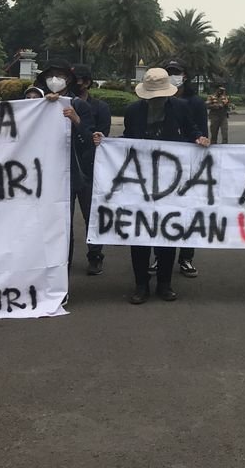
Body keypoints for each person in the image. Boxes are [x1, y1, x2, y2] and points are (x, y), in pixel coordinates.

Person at [104, 68, 208, 304]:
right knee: (139, 233)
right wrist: (108, 144)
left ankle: (164, 284)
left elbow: (192, 130)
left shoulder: (180, 108)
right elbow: (129, 138)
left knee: (167, 232)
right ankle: (141, 285)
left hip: (171, 179)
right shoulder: (133, 111)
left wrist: (198, 138)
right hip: (140, 180)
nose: (157, 99)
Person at [34, 59, 96, 274]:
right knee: (55, 223)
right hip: (47, 174)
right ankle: (55, 266)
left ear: (68, 80)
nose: (55, 80)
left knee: (78, 220)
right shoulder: (36, 103)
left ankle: (88, 259)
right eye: (50, 76)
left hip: (76, 172)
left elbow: (90, 140)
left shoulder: (79, 105)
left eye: (60, 76)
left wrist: (76, 120)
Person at [165, 59, 209, 278]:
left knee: (188, 211)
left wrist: (201, 141)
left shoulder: (195, 102)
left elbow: (201, 131)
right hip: (164, 165)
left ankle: (186, 257)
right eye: (169, 72)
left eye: (177, 72)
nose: (173, 76)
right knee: (165, 211)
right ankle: (162, 255)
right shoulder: (160, 99)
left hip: (189, 164)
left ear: (185, 76)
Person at [70, 64, 112, 276]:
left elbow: (101, 139)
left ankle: (95, 256)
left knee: (91, 215)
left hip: (90, 169)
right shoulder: (59, 104)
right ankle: (64, 258)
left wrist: (84, 130)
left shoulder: (100, 107)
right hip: (65, 169)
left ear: (86, 82)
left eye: (76, 79)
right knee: (63, 218)